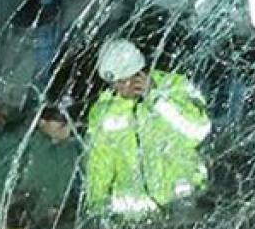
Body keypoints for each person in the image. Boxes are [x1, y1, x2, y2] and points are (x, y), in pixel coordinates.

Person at [84, 39, 211, 218]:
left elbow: (198, 131)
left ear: (138, 73)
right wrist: (96, 202)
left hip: (181, 202)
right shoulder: (104, 110)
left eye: (123, 81)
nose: (119, 89)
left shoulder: (175, 88)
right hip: (134, 215)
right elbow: (99, 161)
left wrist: (156, 99)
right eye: (113, 84)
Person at [0, 103, 81, 229]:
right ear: (41, 122)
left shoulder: (70, 151)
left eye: (72, 122)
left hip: (47, 226)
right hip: (12, 222)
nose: (69, 128)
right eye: (62, 123)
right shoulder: (20, 147)